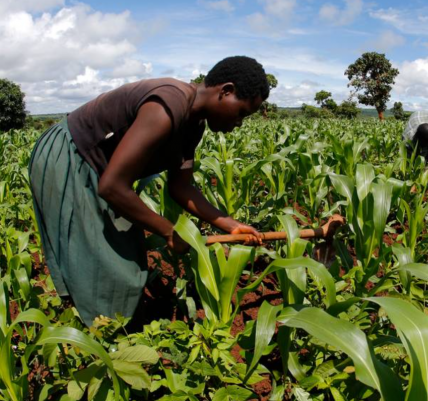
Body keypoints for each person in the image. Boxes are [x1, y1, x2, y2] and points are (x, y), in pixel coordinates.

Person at [28, 56, 268, 325]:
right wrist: (168, 231)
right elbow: (111, 186)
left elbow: (180, 187)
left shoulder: (193, 125)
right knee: (110, 263)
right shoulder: (167, 106)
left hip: (102, 172)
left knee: (121, 256)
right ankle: (100, 337)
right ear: (226, 91)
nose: (240, 123)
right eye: (242, 113)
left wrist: (231, 225)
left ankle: (105, 326)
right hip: (72, 155)